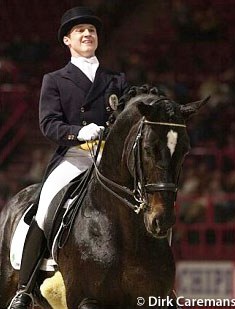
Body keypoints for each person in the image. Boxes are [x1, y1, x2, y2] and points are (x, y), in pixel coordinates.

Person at [8, 7, 128, 309]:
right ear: (67, 40)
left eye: (92, 30)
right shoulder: (55, 79)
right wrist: (78, 132)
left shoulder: (116, 78)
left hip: (109, 159)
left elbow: (126, 119)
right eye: (80, 31)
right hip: (75, 156)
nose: (87, 34)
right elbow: (48, 124)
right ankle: (25, 287)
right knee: (46, 206)